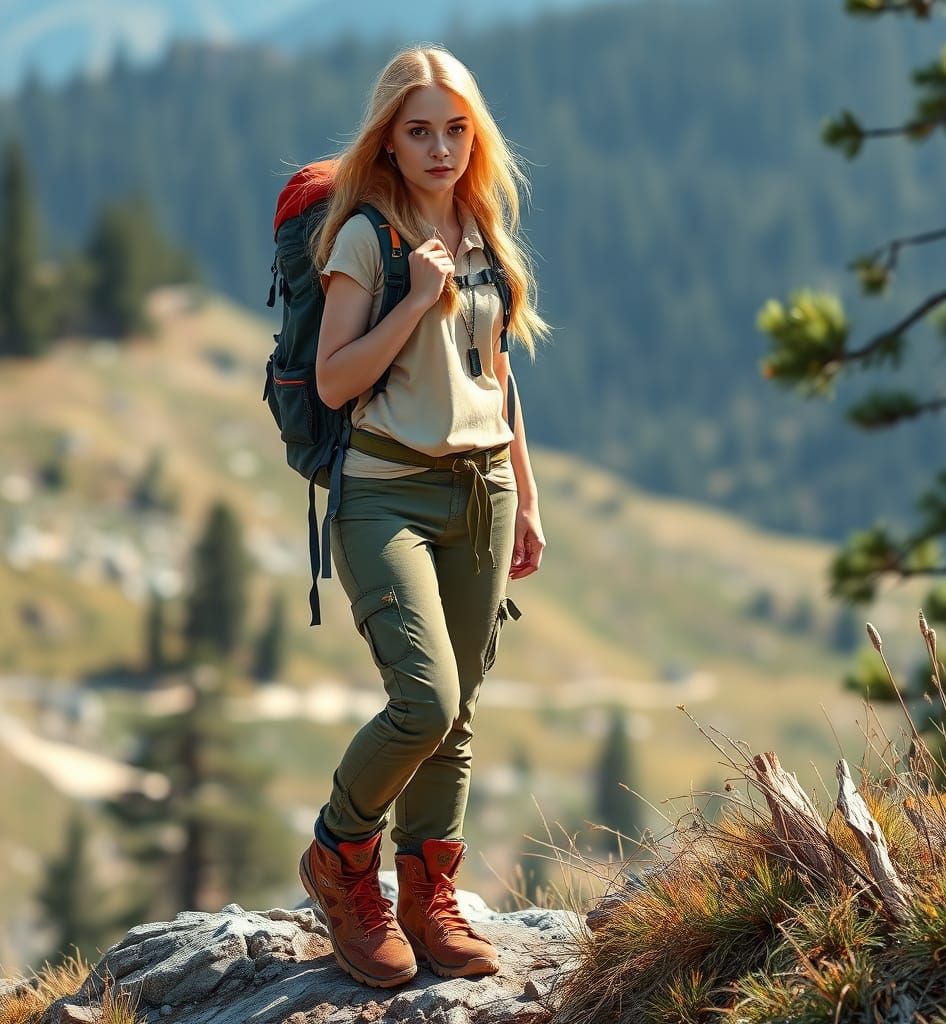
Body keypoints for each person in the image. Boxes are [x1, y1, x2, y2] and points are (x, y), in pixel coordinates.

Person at [297, 46, 549, 989]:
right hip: (386, 490)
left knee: (464, 710)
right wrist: (414, 303)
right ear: (389, 140)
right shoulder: (367, 237)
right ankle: (338, 857)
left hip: (482, 490)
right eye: (419, 130)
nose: (440, 147)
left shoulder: (482, 225)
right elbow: (334, 379)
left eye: (455, 128)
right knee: (426, 700)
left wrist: (526, 494)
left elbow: (497, 370)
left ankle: (428, 895)